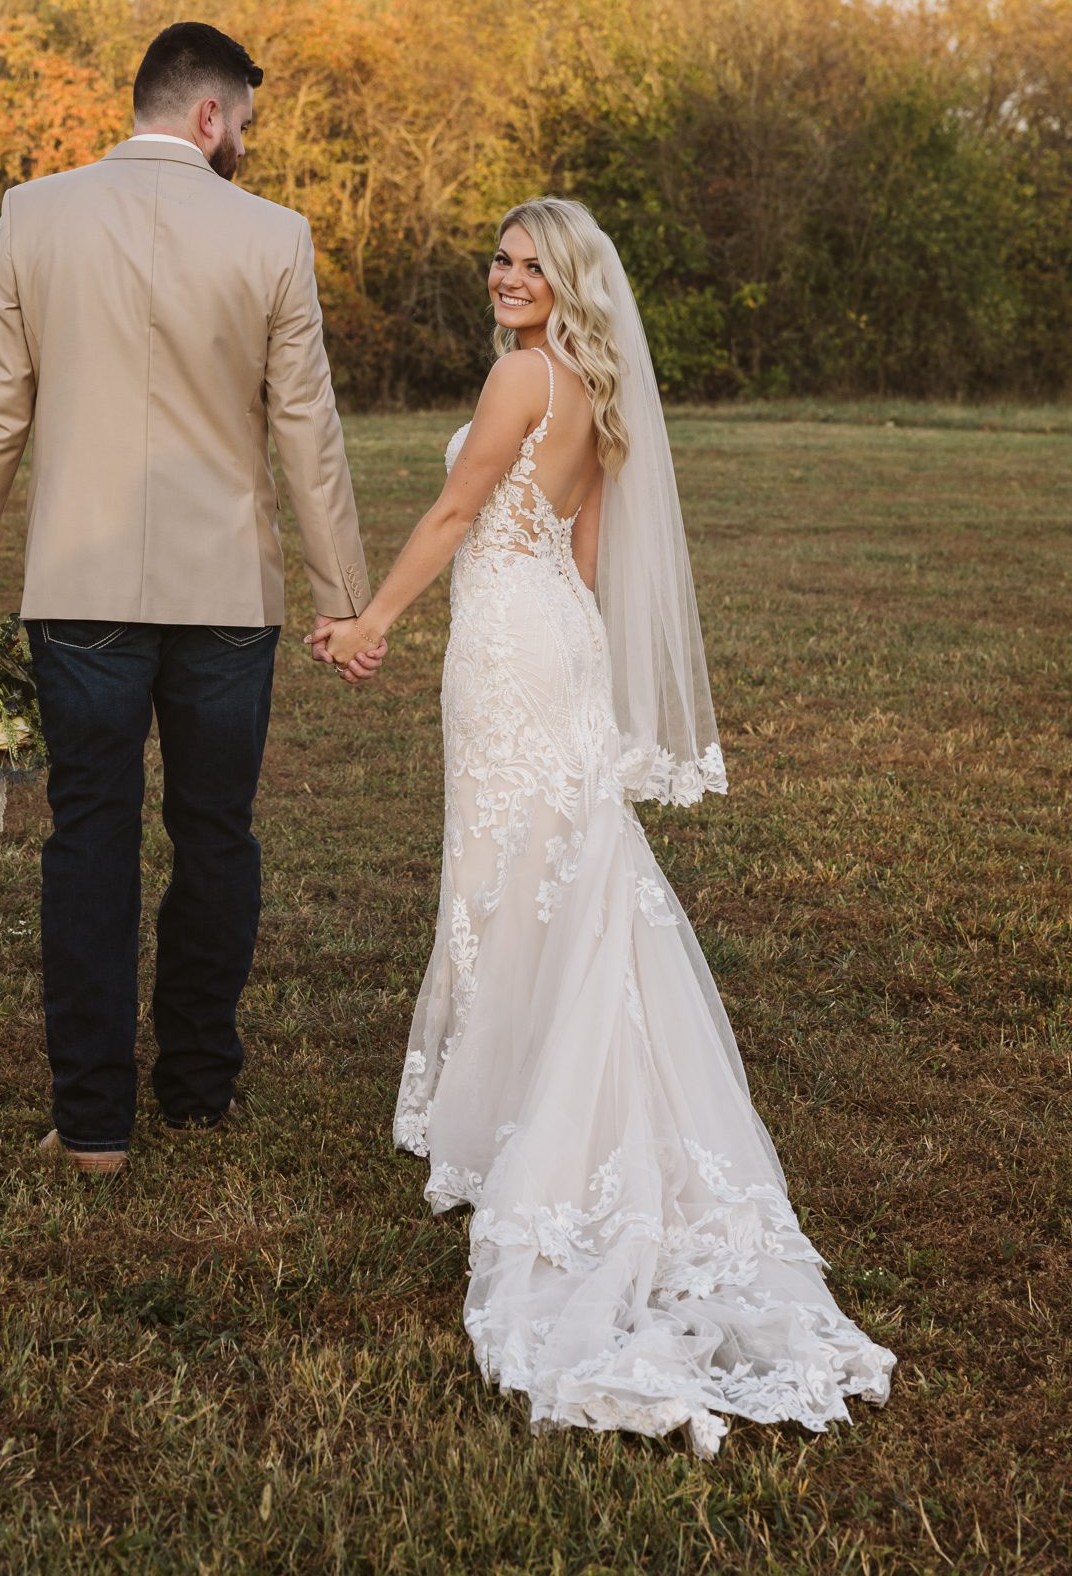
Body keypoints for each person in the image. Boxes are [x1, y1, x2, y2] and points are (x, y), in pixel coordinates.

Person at [320, 197, 895, 1455]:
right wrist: (556, 652)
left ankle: (524, 1114)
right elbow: (584, 556)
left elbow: (456, 512)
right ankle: (543, 1089)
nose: (507, 277)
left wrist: (370, 622)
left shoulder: (522, 376)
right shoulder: (597, 384)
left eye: (532, 265)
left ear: (568, 280)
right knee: (565, 865)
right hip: (557, 640)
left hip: (509, 647)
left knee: (508, 867)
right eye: (500, 259)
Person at [0, 21, 384, 1176]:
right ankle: (197, 1089)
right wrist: (343, 595)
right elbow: (307, 427)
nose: (247, 146)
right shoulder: (274, 235)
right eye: (246, 125)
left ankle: (92, 1125)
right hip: (227, 591)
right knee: (215, 833)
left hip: (82, 583)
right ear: (209, 115)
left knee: (91, 836)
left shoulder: (34, 214)